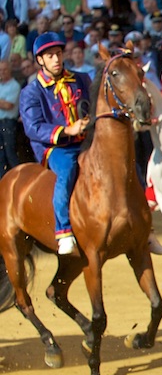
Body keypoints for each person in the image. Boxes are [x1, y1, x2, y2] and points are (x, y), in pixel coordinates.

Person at [18, 32, 92, 255]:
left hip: (87, 139)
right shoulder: (31, 92)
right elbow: (33, 127)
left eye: (58, 53)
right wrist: (67, 130)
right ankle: (64, 230)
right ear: (40, 60)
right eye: (50, 56)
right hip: (56, 148)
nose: (56, 59)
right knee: (67, 171)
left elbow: (94, 106)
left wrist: (90, 120)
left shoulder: (82, 79)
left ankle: (143, 228)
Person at [0, 59, 20, 177]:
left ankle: (18, 179)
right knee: (0, 155)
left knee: (10, 153)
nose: (2, 72)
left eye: (4, 70)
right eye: (0, 70)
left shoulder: (14, 85)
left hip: (8, 123)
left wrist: (3, 103)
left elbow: (8, 105)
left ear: (10, 70)